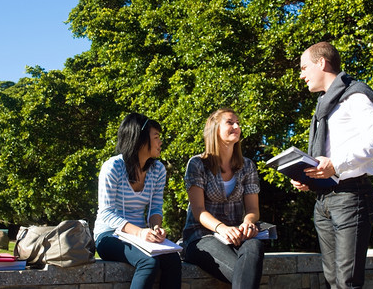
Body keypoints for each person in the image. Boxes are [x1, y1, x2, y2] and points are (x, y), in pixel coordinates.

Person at [293, 42, 373, 288]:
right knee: (333, 280)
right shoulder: (324, 105)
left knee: (347, 282)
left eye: (304, 68)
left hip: (351, 196)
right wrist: (309, 176)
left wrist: (335, 164)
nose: (301, 75)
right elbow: (325, 155)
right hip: (323, 200)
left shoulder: (355, 96)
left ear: (322, 63)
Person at [93, 113, 182, 289]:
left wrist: (155, 228)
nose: (160, 142)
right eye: (156, 137)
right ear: (140, 139)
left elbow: (155, 207)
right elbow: (106, 213)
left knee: (173, 260)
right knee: (149, 262)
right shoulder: (112, 167)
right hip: (109, 235)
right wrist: (139, 233)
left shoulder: (158, 170)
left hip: (140, 236)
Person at [182, 108, 264, 289]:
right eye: (230, 122)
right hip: (201, 236)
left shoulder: (248, 165)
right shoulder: (197, 164)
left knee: (255, 246)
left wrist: (248, 222)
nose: (237, 126)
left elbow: (253, 210)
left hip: (235, 236)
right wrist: (222, 228)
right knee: (244, 274)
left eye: (238, 123)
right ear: (215, 129)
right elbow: (198, 211)